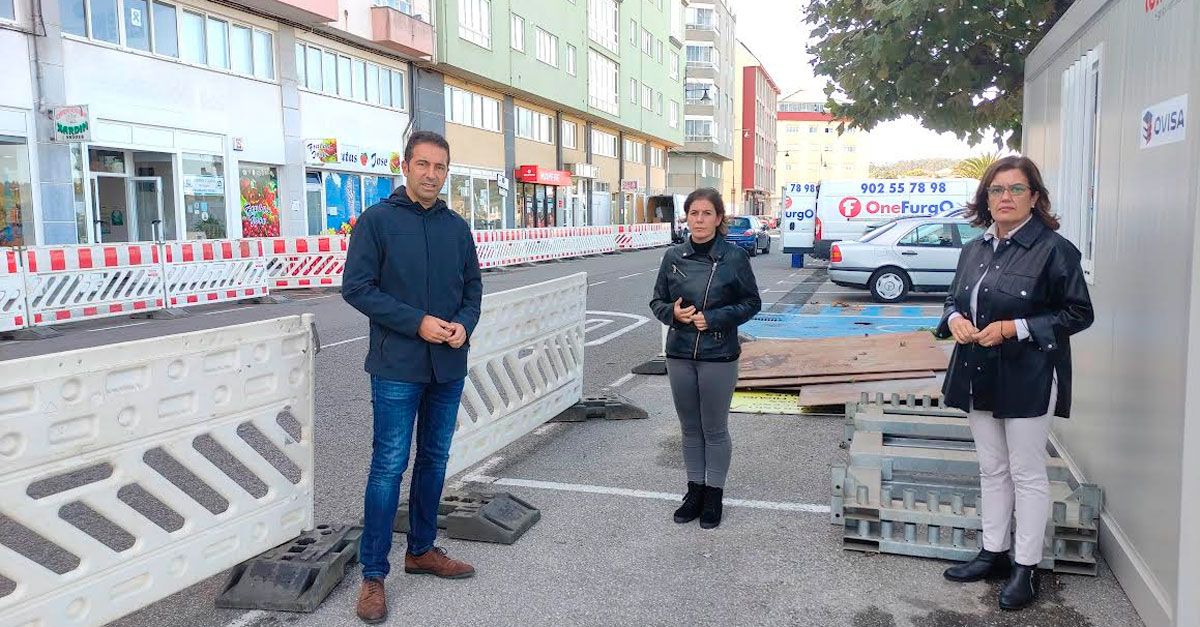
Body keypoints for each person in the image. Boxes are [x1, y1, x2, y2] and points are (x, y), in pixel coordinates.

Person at [935, 156, 1093, 610]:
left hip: (1029, 374)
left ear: (1035, 197)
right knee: (991, 467)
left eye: (1016, 189)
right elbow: (952, 297)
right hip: (977, 371)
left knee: (1026, 472)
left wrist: (1014, 327)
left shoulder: (1054, 249)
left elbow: (1078, 313)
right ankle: (993, 552)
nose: (1005, 197)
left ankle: (1026, 568)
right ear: (985, 198)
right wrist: (955, 318)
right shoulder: (974, 249)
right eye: (996, 190)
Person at [342, 131, 483, 624]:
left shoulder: (457, 228)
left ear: (447, 172)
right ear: (406, 167)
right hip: (397, 366)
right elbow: (356, 288)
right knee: (388, 467)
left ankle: (422, 550)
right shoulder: (378, 222)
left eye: (439, 167)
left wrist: (465, 323)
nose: (430, 174)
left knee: (435, 460)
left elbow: (472, 286)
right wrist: (416, 322)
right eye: (422, 164)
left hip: (447, 365)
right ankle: (373, 575)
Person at [650, 188, 762, 530]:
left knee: (714, 429)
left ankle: (714, 494)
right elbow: (656, 302)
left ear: (718, 218)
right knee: (689, 428)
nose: (699, 220)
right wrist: (675, 314)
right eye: (694, 213)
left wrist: (714, 318)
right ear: (687, 217)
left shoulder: (734, 257)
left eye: (706, 213)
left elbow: (751, 303)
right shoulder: (673, 256)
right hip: (680, 352)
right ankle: (694, 490)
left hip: (718, 354)